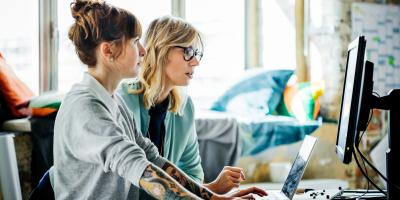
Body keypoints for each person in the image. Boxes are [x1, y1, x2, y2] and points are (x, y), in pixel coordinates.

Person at [52, 0, 267, 199]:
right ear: (108, 50)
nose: (144, 50)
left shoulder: (113, 102)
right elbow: (138, 167)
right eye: (136, 42)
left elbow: (152, 159)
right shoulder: (86, 107)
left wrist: (214, 198)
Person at [117, 16, 245, 195]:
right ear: (162, 50)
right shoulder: (122, 100)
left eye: (197, 54)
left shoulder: (184, 107)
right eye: (188, 52)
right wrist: (212, 192)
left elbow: (192, 174)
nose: (195, 62)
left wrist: (212, 192)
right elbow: (130, 188)